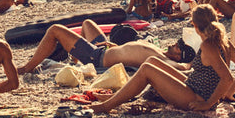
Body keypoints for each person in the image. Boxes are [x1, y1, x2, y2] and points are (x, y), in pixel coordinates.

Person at [92, 4, 235, 113]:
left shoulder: (208, 45)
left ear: (195, 25)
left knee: (147, 70)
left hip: (195, 96)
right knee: (152, 62)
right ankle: (117, 96)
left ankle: (107, 106)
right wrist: (228, 94)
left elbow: (227, 78)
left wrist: (208, 103)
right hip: (194, 85)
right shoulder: (223, 40)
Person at [17, 19, 196, 74]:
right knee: (87, 24)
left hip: (98, 58)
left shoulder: (165, 61)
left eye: (179, 46)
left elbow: (184, 68)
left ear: (179, 56)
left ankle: (27, 67)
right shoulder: (159, 50)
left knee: (55, 29)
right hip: (105, 48)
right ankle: (76, 59)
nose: (175, 43)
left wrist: (194, 63)